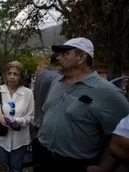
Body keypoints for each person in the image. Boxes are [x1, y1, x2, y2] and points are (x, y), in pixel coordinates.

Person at [32, 37, 129, 172]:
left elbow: (123, 139)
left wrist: (105, 167)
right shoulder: (56, 83)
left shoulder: (109, 93)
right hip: (43, 157)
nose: (58, 57)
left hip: (74, 165)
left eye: (65, 53)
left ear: (81, 58)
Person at [0, 61, 35, 172]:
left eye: (16, 74)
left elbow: (30, 117)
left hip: (20, 140)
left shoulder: (28, 93)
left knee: (16, 168)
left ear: (21, 76)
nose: (12, 77)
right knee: (3, 168)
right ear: (5, 75)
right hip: (1, 139)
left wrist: (17, 121)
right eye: (9, 73)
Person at [31, 53, 62, 139]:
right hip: (49, 127)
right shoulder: (59, 78)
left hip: (37, 122)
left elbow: (35, 96)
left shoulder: (41, 74)